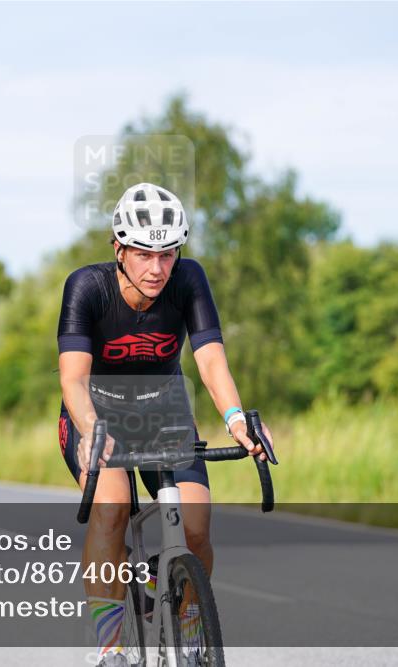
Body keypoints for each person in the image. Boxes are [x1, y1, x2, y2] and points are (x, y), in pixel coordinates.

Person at [57, 183, 272, 667]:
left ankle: (191, 637)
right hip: (96, 415)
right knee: (111, 509)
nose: (157, 269)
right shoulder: (87, 287)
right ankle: (110, 650)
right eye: (144, 254)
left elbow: (211, 360)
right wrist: (91, 427)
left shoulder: (188, 279)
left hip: (164, 412)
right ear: (119, 249)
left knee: (196, 529)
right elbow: (73, 379)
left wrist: (236, 419)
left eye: (168, 254)